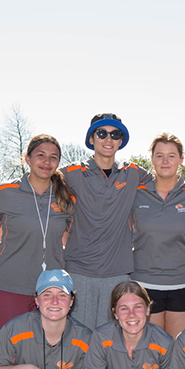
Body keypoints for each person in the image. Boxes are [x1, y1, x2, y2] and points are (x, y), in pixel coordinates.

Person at [61, 113, 151, 329]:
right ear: (91, 139)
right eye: (101, 133)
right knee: (78, 340)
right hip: (79, 270)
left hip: (118, 273)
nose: (108, 139)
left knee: (112, 341)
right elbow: (42, 183)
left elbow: (168, 180)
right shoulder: (71, 173)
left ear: (121, 141)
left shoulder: (133, 173)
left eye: (115, 134)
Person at [0, 135, 75, 334]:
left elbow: (68, 238)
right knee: (8, 355)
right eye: (40, 155)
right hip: (10, 286)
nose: (47, 162)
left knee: (46, 356)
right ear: (27, 159)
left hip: (53, 289)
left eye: (53, 157)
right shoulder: (5, 191)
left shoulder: (66, 197)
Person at [131, 133, 185, 338]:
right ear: (151, 159)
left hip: (183, 282)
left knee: (177, 353)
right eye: (159, 155)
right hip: (144, 282)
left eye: (171, 156)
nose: (165, 161)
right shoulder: (137, 193)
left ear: (181, 159)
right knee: (150, 352)